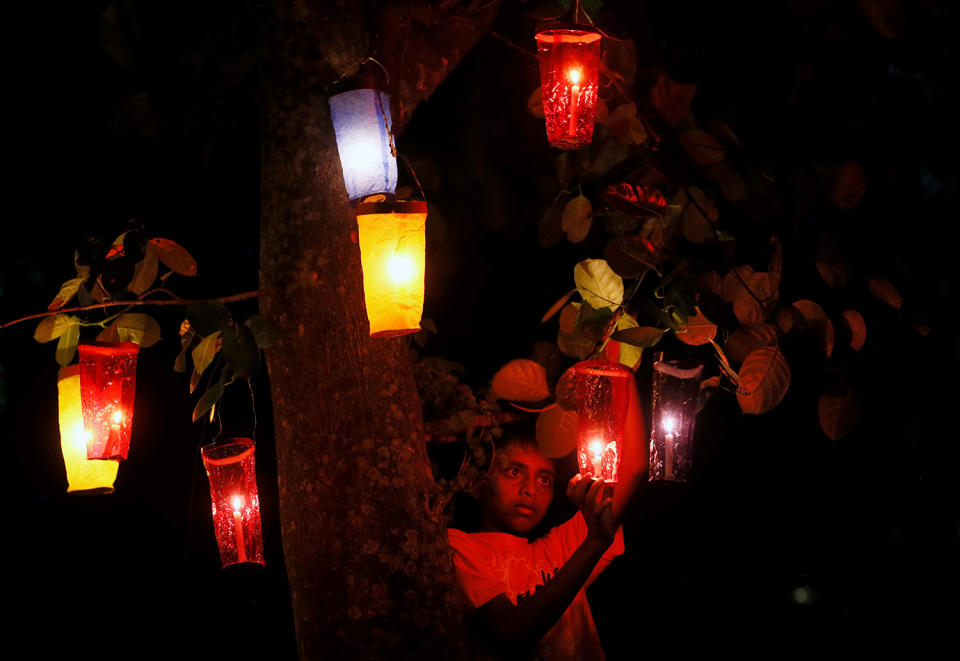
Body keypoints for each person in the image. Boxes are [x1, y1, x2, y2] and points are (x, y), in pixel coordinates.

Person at [447, 377, 645, 660]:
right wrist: (593, 544)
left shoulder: (558, 548)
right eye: (514, 472)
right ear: (478, 482)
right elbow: (508, 634)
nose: (530, 490)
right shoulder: (461, 548)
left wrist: (622, 363)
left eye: (544, 479)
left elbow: (631, 469)